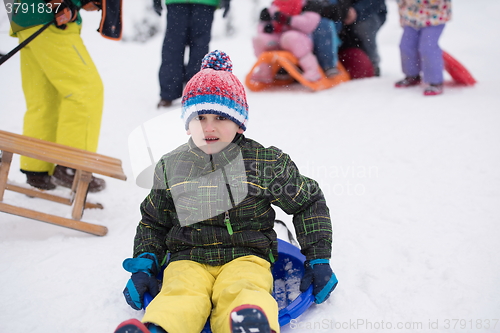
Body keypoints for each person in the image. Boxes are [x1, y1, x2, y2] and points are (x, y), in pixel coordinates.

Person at [114, 50, 338, 333]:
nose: (208, 127)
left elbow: (308, 202)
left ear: (239, 122)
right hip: (188, 257)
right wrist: (145, 263)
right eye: (199, 117)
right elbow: (154, 221)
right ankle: (160, 328)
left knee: (244, 288)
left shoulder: (264, 163)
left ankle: (247, 325)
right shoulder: (172, 166)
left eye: (220, 116)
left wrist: (318, 257)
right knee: (180, 294)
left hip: (246, 255)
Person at [11, 0, 106, 192]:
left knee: (45, 100)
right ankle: (72, 166)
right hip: (50, 17)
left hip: (27, 13)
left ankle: (38, 170)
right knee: (86, 90)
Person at [154, 0, 231, 108]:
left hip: (205, 3)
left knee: (199, 51)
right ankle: (169, 93)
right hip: (178, 3)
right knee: (173, 48)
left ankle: (195, 93)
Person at [252, 0, 323, 83]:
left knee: (291, 37)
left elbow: (309, 25)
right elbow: (261, 28)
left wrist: (288, 19)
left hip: (300, 38)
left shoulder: (308, 4)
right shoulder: (274, 6)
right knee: (259, 40)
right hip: (278, 39)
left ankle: (311, 70)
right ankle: (264, 71)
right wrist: (266, 26)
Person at [394, 0, 452, 96]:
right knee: (406, 46)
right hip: (411, 16)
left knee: (428, 47)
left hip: (434, 17)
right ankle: (412, 75)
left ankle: (435, 81)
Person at [338, 0, 387, 76]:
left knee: (363, 27)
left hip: (365, 13)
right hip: (336, 13)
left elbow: (376, 2)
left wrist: (356, 11)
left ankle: (372, 62)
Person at [306, 0, 352, 77]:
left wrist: (320, 9)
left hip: (331, 31)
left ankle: (328, 65)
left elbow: (340, 11)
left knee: (323, 25)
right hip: (303, 23)